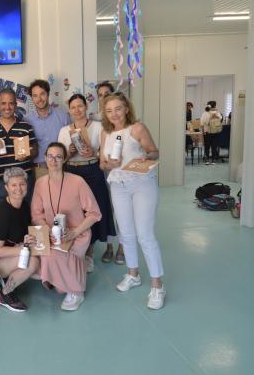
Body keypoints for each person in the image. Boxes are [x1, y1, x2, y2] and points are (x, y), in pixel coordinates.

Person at [99, 92, 166, 310]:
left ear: (127, 108)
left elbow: (154, 152)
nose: (114, 114)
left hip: (142, 183)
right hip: (118, 185)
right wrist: (109, 164)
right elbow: (102, 164)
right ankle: (133, 274)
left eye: (118, 108)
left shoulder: (137, 128)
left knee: (145, 234)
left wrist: (147, 157)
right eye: (109, 111)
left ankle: (157, 286)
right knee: (125, 233)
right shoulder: (105, 134)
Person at [31, 143, 101, 311]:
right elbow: (36, 215)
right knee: (42, 254)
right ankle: (60, 280)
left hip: (77, 233)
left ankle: (76, 290)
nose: (53, 160)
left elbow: (94, 214)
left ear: (64, 160)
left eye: (58, 157)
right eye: (50, 156)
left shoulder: (77, 182)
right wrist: (47, 231)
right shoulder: (40, 183)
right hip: (50, 233)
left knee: (59, 254)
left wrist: (74, 232)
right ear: (45, 158)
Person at [58, 94, 121, 271]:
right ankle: (81, 251)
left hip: (93, 170)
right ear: (69, 110)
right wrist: (69, 152)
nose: (77, 110)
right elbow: (60, 158)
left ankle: (90, 252)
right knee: (76, 213)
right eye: (73, 107)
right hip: (72, 172)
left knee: (94, 210)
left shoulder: (98, 127)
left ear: (86, 107)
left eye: (80, 106)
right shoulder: (64, 131)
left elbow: (106, 151)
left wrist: (93, 152)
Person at [0, 167, 40, 312]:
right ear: (6, 187)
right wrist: (24, 248)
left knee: (40, 261)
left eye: (22, 184)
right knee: (33, 262)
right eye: (13, 185)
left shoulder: (23, 205)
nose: (18, 188)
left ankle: (10, 278)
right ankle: (4, 294)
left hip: (12, 253)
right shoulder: (2, 213)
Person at [0, 88, 38, 202]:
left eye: (11, 103)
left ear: (15, 105)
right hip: (2, 182)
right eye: (4, 103)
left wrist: (28, 154)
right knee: (4, 217)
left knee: (27, 215)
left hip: (24, 180)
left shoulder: (26, 126)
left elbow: (35, 150)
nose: (7, 107)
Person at [24, 79, 71, 179]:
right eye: (35, 96)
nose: (39, 99)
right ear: (32, 98)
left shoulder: (63, 116)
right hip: (39, 170)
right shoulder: (26, 120)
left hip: (61, 168)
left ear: (48, 94)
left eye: (42, 94)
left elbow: (71, 142)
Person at [200, 100, 223, 165]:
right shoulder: (217, 112)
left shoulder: (205, 113)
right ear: (215, 105)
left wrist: (203, 132)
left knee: (207, 146)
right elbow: (221, 120)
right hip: (216, 132)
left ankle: (207, 160)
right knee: (214, 146)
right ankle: (213, 160)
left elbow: (202, 123)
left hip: (207, 131)